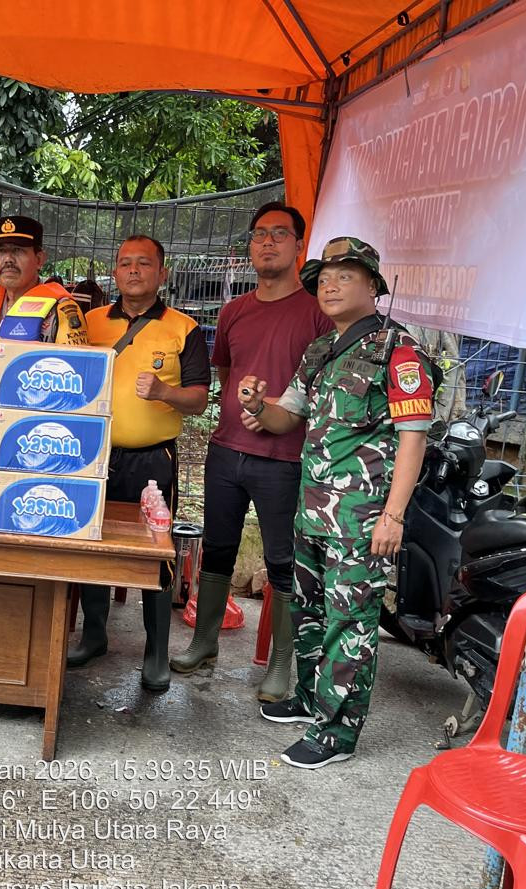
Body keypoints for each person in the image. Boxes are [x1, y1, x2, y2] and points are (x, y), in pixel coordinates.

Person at [243, 237, 432, 769]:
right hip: (314, 509)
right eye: (324, 277)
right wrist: (262, 404)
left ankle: (338, 733)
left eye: (345, 276)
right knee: (309, 610)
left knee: (350, 622)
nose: (329, 284)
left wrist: (392, 516)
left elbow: (413, 436)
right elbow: (287, 417)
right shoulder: (321, 349)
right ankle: (309, 697)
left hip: (361, 517)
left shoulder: (400, 350)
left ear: (373, 286)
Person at [169, 202, 331, 704]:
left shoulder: (318, 314)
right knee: (217, 549)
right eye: (259, 234)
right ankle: (204, 643)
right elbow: (225, 375)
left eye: (279, 234)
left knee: (283, 561)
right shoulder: (234, 311)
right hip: (226, 450)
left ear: (299, 245)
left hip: (285, 457)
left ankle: (281, 664)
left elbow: (323, 392)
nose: (267, 243)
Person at [69, 235, 210, 691]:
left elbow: (199, 399)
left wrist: (166, 393)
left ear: (162, 273)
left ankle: (155, 651)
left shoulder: (183, 328)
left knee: (156, 553)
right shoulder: (88, 323)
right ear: (115, 272)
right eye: (125, 263)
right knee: (91, 543)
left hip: (154, 460)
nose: (134, 271)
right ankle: (93, 635)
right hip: (92, 453)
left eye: (144, 264)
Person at [0, 215, 88, 362]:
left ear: (39, 260)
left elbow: (77, 371)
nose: (8, 259)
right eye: (0, 251)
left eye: (18, 250)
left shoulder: (61, 310)